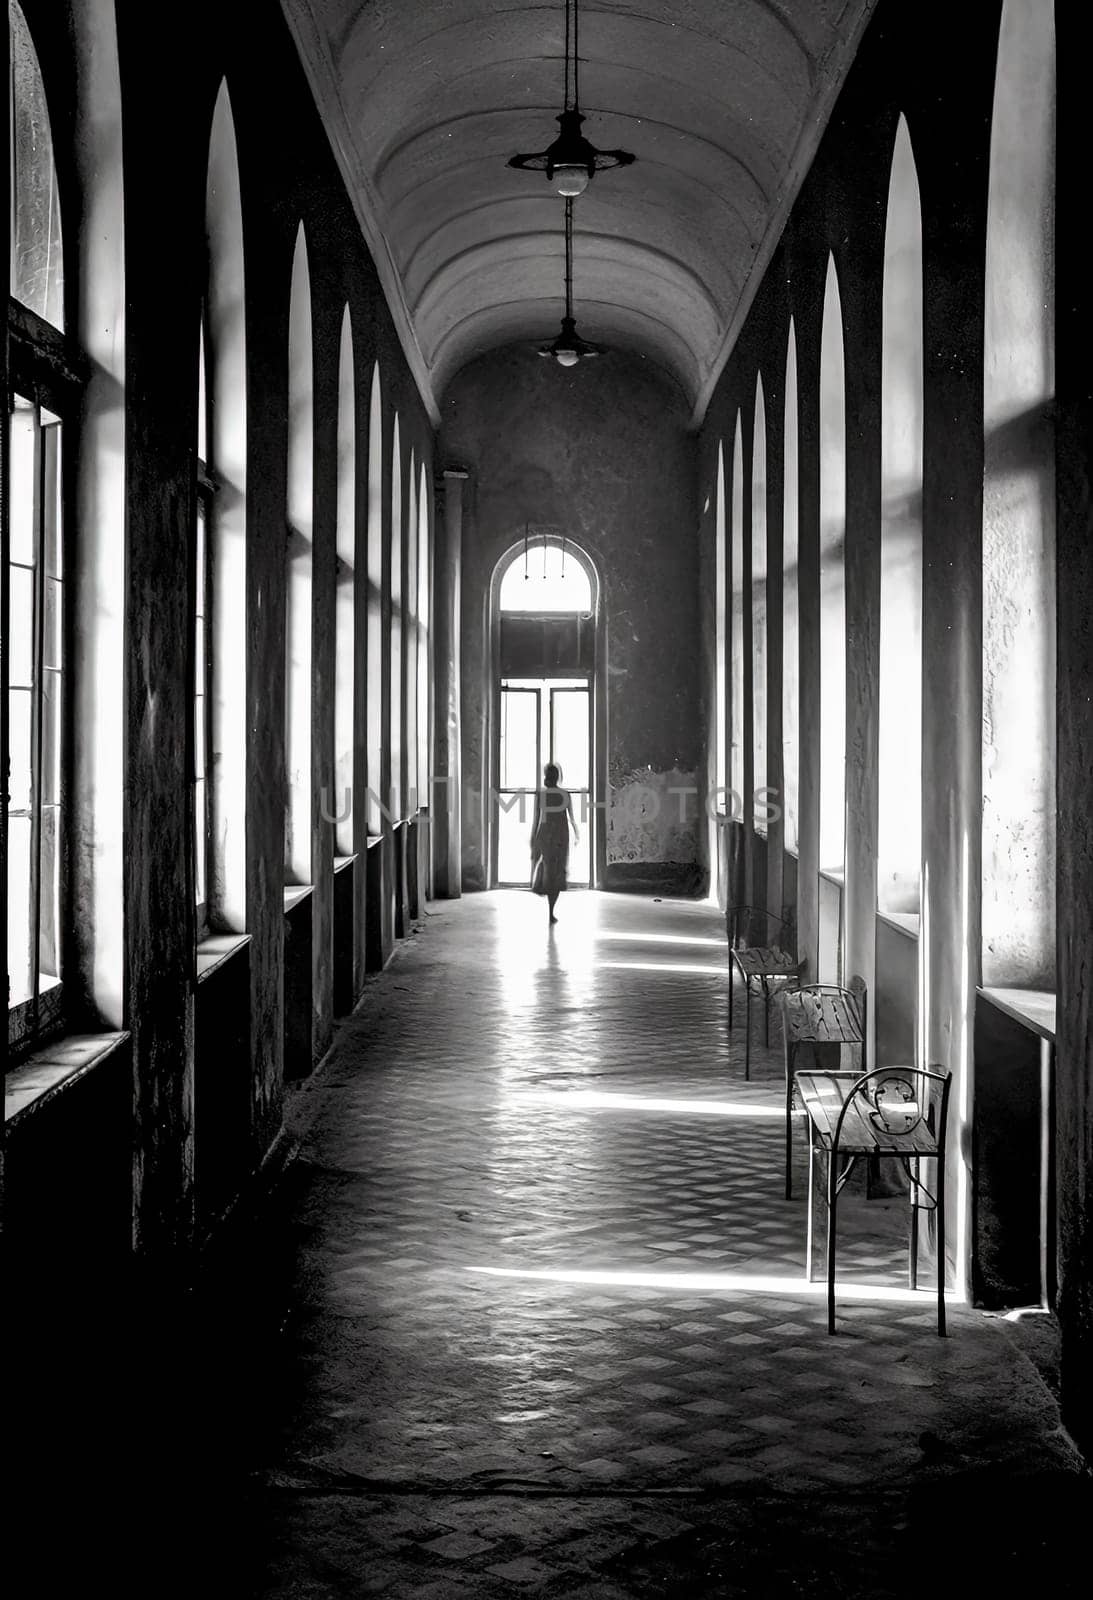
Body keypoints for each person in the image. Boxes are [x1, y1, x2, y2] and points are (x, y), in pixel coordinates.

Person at [530, 762, 578, 924]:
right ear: (557, 776)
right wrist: (577, 834)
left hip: (545, 835)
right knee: (557, 872)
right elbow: (571, 818)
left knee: (549, 871)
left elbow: (536, 820)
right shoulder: (564, 794)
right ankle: (551, 910)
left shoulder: (541, 795)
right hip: (560, 836)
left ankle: (548, 905)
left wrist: (533, 839)